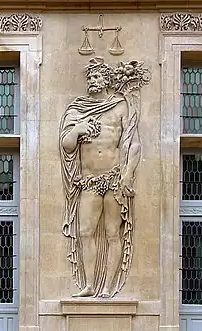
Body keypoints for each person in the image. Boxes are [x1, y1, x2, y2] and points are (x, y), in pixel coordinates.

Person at [60, 57, 143, 298]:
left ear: (106, 79)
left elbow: (133, 143)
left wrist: (128, 175)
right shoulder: (77, 109)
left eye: (96, 77)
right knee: (85, 231)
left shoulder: (120, 106)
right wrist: (77, 130)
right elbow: (66, 146)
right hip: (89, 180)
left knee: (112, 233)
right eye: (89, 77)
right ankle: (88, 285)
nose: (91, 81)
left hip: (114, 177)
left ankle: (107, 287)